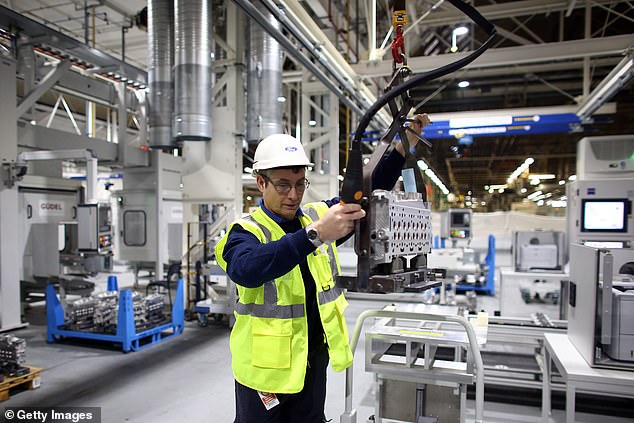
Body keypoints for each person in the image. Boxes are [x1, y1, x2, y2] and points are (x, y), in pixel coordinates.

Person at [215, 114, 430, 423]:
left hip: (312, 360)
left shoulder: (316, 216)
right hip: (264, 372)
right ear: (261, 182)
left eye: (300, 184)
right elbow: (246, 268)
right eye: (283, 185)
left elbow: (363, 196)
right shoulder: (245, 231)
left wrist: (401, 147)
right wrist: (313, 236)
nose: (293, 195)